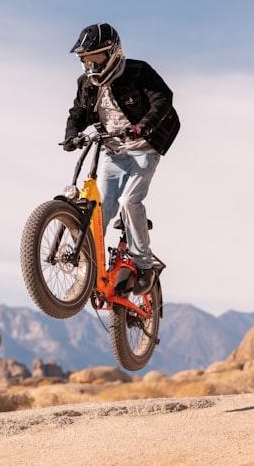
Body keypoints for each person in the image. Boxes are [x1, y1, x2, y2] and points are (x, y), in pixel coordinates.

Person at [62, 23, 180, 294]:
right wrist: (71, 135)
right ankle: (86, 271)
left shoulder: (139, 72)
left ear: (114, 52)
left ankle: (145, 265)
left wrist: (144, 126)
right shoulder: (87, 84)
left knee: (129, 201)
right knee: (101, 209)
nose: (91, 65)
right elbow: (77, 113)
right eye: (86, 60)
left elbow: (163, 99)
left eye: (96, 58)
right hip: (112, 150)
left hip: (145, 147)